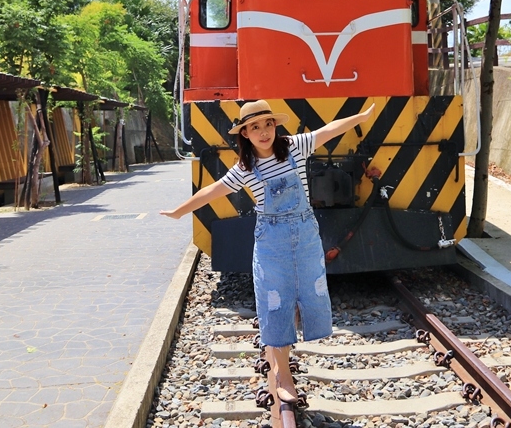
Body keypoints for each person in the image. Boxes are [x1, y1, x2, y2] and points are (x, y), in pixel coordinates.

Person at [161, 99, 375, 420]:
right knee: (276, 301)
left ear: (276, 126)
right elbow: (214, 191)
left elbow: (329, 130)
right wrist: (180, 210)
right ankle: (283, 375)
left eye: (268, 124)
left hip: (305, 235)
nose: (263, 132)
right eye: (255, 127)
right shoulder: (245, 169)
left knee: (311, 295)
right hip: (271, 240)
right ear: (245, 134)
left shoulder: (295, 146)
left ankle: (281, 352)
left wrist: (361, 116)